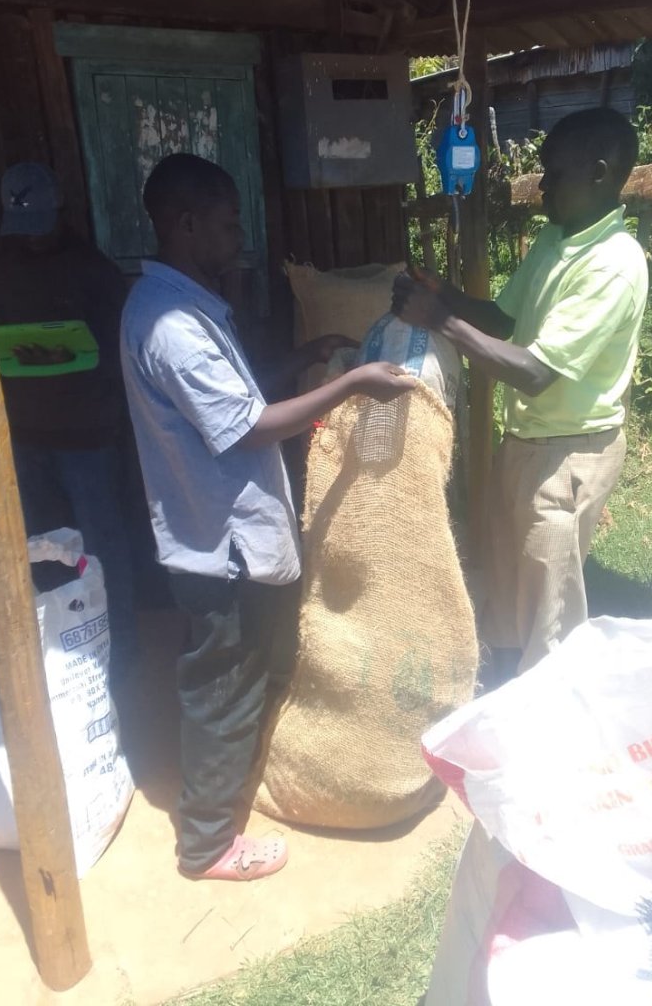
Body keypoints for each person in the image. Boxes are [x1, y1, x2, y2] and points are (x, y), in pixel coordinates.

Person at [120, 152, 414, 882]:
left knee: (243, 672)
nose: (240, 232)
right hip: (217, 547)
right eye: (227, 220)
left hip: (221, 532)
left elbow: (236, 399)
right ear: (186, 224)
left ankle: (232, 794)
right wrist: (351, 382)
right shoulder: (172, 327)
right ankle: (208, 845)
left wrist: (306, 355)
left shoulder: (182, 306)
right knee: (222, 686)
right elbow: (247, 427)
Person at [392, 107, 648, 683]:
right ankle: (507, 703)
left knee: (548, 619)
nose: (541, 186)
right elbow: (505, 321)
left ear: (601, 174)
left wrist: (441, 321)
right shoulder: (556, 241)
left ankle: (546, 739)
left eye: (554, 174)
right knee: (508, 595)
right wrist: (449, 298)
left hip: (568, 456)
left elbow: (534, 372)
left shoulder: (613, 263)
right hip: (528, 445)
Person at [0, 162, 137, 681]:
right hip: (25, 435)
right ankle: (59, 648)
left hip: (87, 436)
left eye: (41, 228)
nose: (32, 241)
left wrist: (69, 355)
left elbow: (121, 348)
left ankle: (120, 648)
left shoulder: (93, 270)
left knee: (101, 545)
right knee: (38, 546)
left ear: (62, 214)